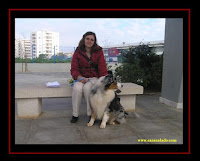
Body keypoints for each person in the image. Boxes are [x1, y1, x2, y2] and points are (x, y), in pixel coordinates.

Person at [70, 31, 108, 123]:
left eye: (92, 40)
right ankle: (75, 114)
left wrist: (103, 80)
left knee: (87, 88)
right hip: (81, 77)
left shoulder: (98, 51)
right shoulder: (78, 51)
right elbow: (74, 68)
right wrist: (78, 77)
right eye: (87, 39)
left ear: (94, 41)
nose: (89, 41)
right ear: (84, 39)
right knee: (77, 88)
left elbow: (102, 67)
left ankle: (90, 114)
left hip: (94, 77)